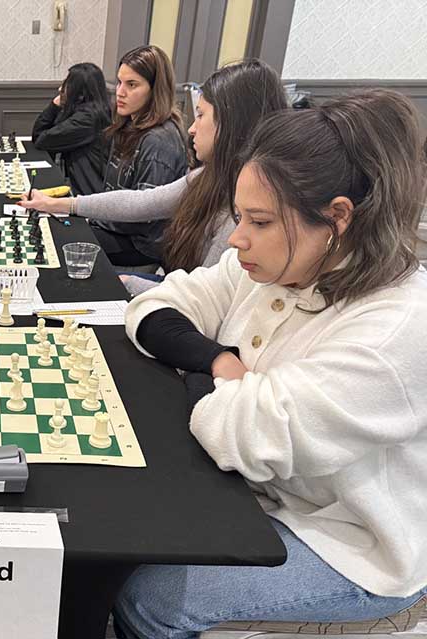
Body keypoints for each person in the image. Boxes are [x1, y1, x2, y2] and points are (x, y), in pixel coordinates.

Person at [115, 90, 427, 638]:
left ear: (337, 218)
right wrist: (219, 360)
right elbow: (153, 308)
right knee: (126, 530)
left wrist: (200, 370)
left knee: (150, 597)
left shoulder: (395, 330)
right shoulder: (278, 266)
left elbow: (245, 435)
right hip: (261, 495)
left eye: (258, 221)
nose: (236, 239)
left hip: (354, 544)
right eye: (240, 217)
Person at [21, 60, 288, 295]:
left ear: (231, 124)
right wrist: (62, 204)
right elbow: (142, 201)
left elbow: (205, 298)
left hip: (179, 297)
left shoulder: (242, 209)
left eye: (201, 115)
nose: (192, 129)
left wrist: (130, 282)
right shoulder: (209, 176)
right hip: (174, 286)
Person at [90, 45, 188, 267]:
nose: (120, 92)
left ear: (155, 90)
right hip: (120, 230)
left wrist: (93, 217)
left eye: (132, 84)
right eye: (119, 82)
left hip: (142, 246)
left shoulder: (158, 141)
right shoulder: (129, 125)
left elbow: (145, 216)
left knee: (70, 238)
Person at [31, 62, 111, 196]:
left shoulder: (85, 119)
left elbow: (41, 139)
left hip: (88, 193)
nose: (60, 89)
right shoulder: (94, 111)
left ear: (79, 91)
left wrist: (54, 105)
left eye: (67, 85)